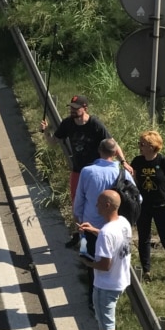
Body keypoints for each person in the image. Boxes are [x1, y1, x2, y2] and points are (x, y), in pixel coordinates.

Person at [41, 94, 127, 247]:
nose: (72, 111)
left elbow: (112, 143)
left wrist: (123, 162)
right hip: (78, 171)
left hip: (96, 172)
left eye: (76, 108)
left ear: (85, 108)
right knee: (77, 204)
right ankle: (79, 234)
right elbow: (53, 142)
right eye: (71, 108)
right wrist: (46, 131)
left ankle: (99, 234)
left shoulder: (94, 124)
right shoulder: (68, 123)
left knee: (96, 203)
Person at [78, 191, 132, 330]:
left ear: (108, 205)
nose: (96, 206)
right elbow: (113, 239)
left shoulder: (107, 233)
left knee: (108, 326)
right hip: (120, 280)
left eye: (99, 203)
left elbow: (104, 265)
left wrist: (88, 263)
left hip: (105, 285)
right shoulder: (123, 222)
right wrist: (94, 230)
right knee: (103, 321)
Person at [74, 139, 133, 300]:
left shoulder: (87, 171)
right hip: (115, 227)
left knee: (89, 261)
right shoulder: (124, 173)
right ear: (115, 153)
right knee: (114, 264)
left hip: (89, 225)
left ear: (99, 150)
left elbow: (79, 198)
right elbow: (138, 199)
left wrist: (77, 219)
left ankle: (93, 298)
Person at [131, 131, 165, 281]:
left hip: (162, 206)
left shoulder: (163, 161)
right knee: (144, 237)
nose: (139, 146)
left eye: (142, 144)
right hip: (143, 206)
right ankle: (146, 271)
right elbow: (133, 180)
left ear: (152, 147)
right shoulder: (137, 161)